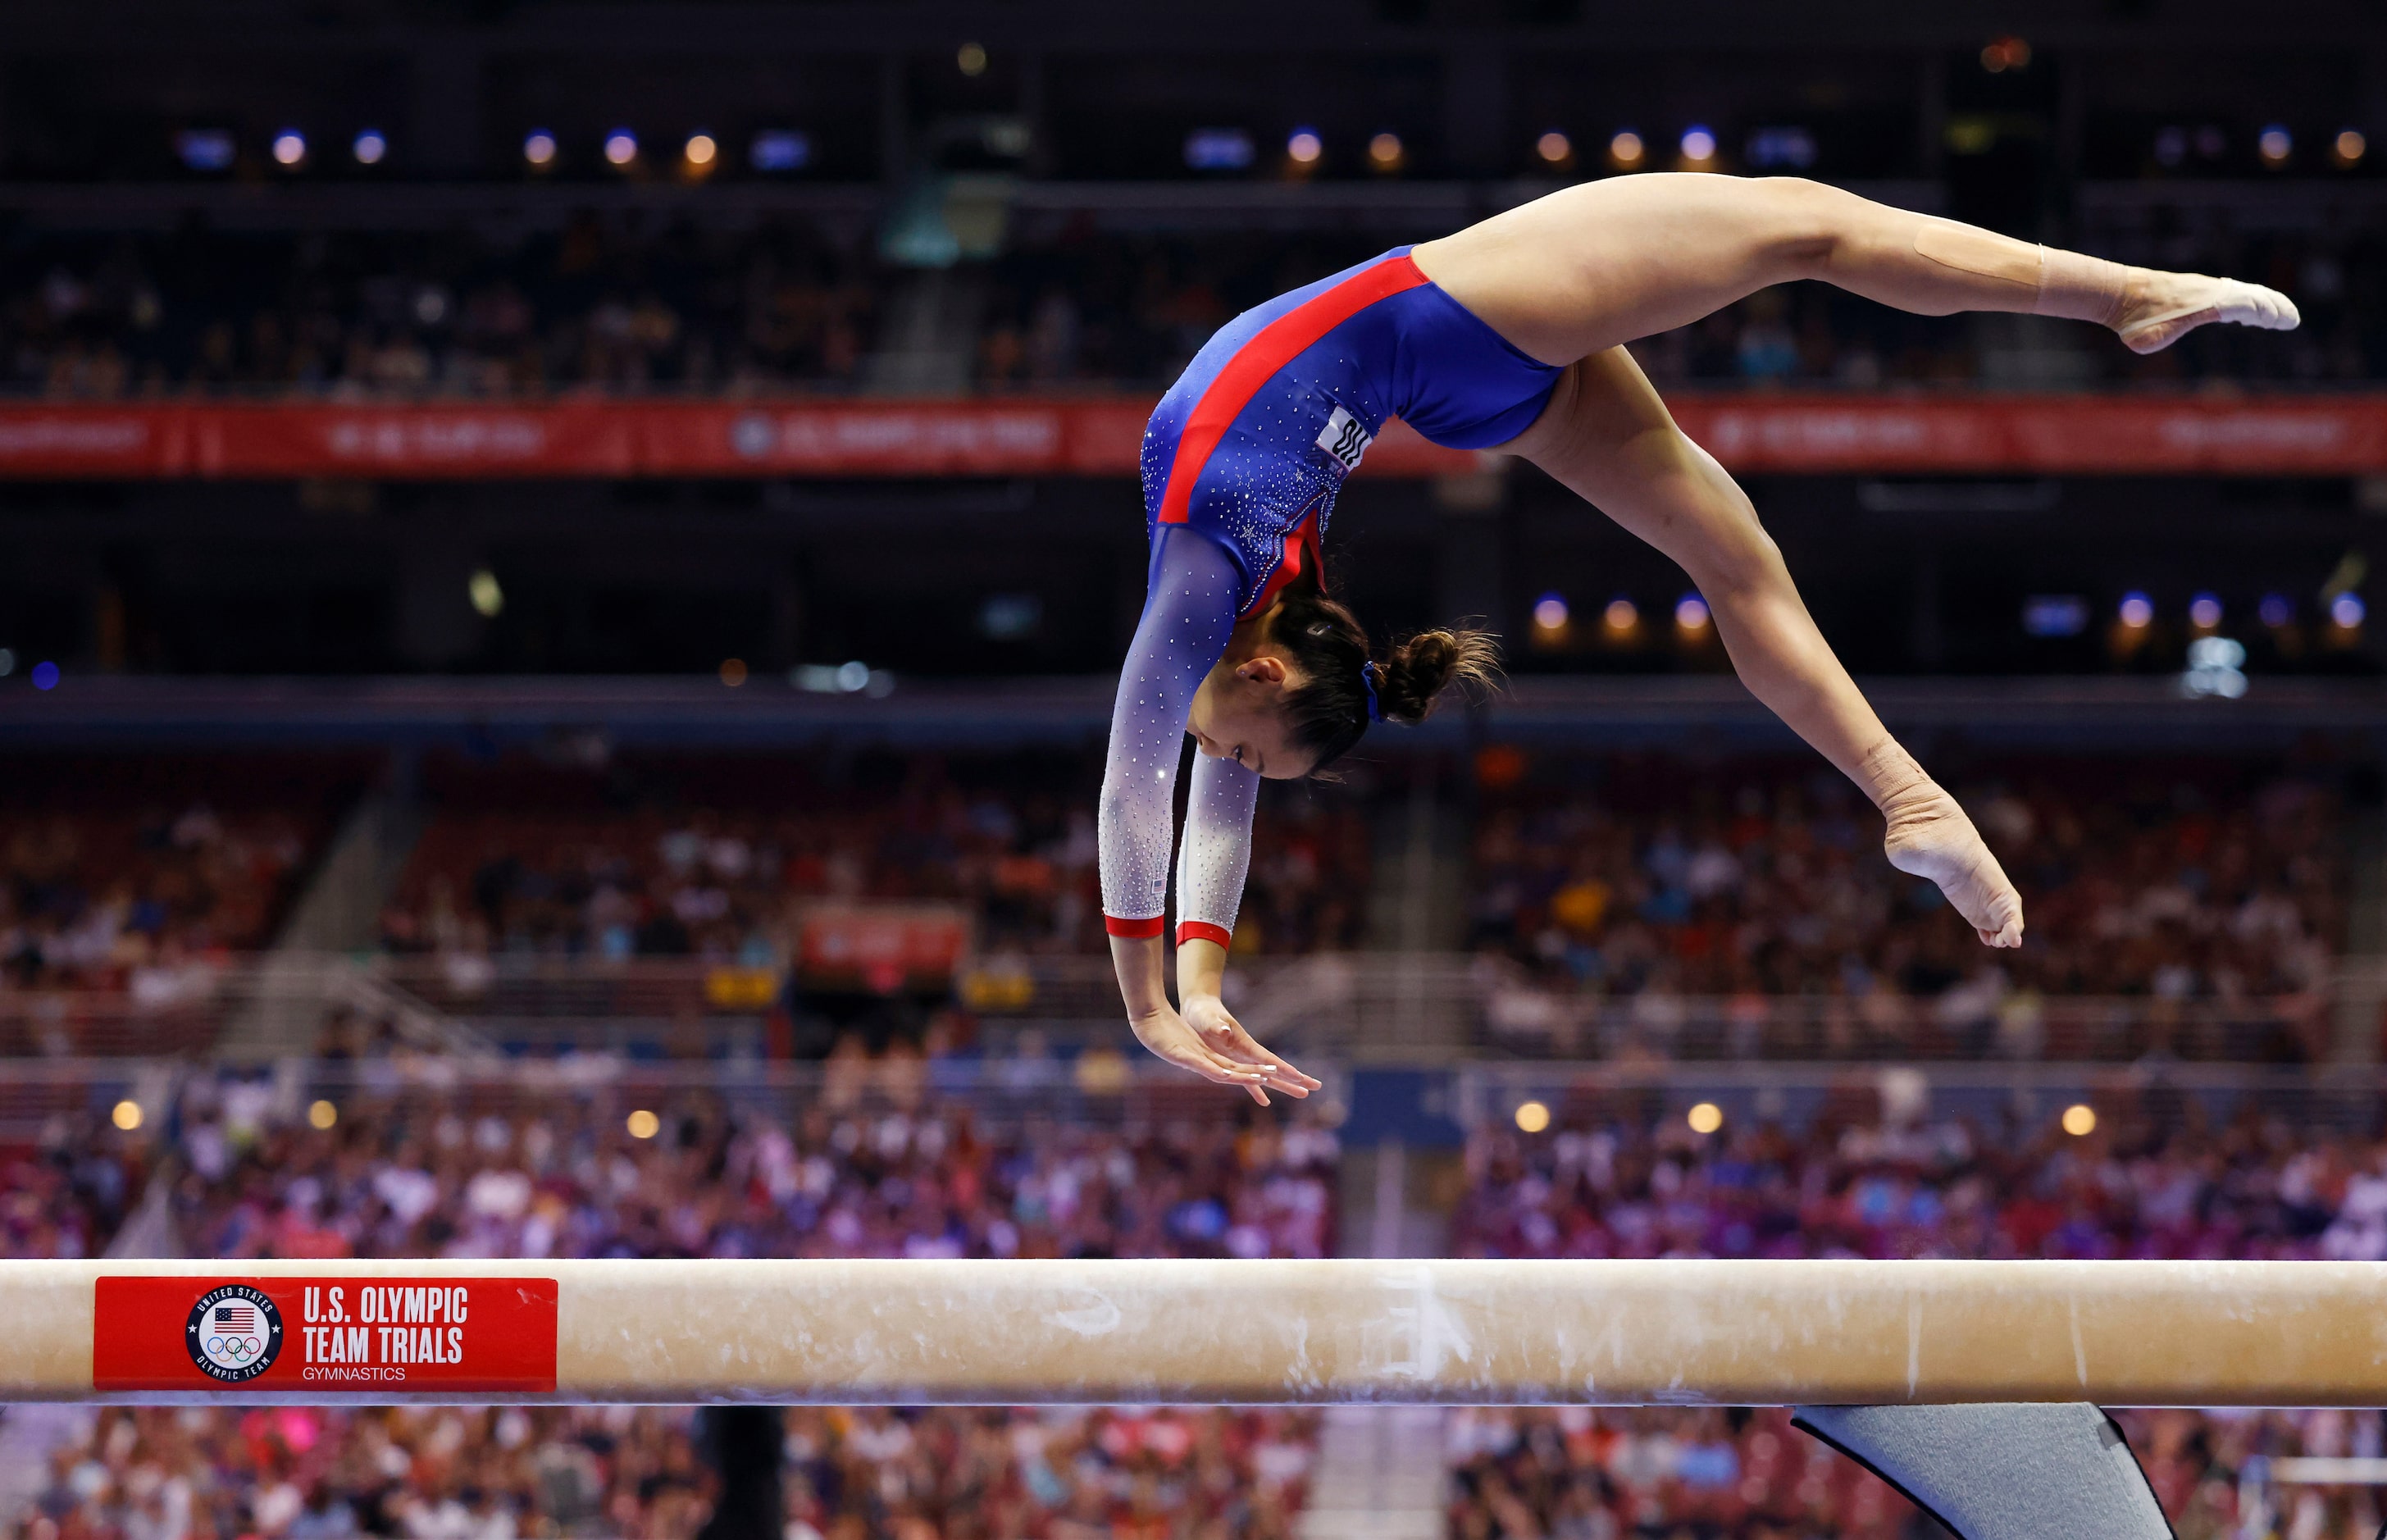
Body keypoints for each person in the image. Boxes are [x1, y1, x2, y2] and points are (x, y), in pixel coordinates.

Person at [1097, 173, 2298, 1100]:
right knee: (1747, 494)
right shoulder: (1251, 612)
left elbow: (1136, 788)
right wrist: (1200, 988)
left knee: (1803, 238)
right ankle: (1910, 793)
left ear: (1263, 671)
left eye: (1251, 755)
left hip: (1457, 310)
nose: (1234, 771)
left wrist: (1155, 1007)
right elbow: (1212, 789)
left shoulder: (1202, 578)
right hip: (1457, 357)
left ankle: (2119, 299)